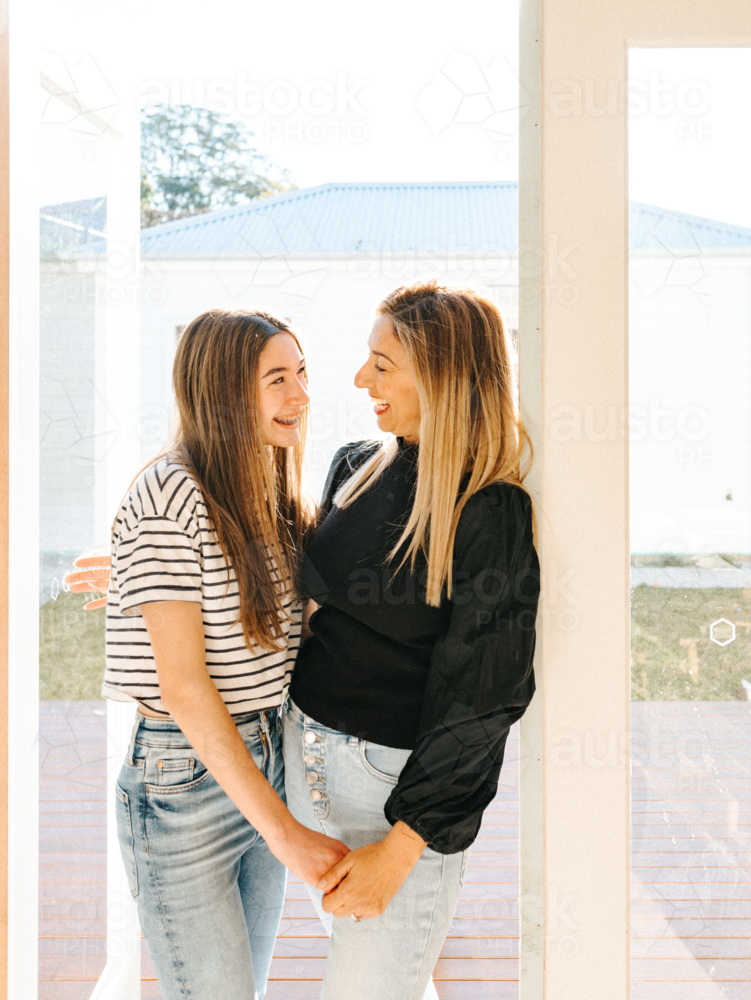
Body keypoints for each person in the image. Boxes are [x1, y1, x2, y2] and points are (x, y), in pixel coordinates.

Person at [68, 280, 539, 1000]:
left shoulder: (479, 508)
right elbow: (301, 589)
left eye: (381, 364)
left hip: (364, 791)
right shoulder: (355, 467)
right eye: (278, 378)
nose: (352, 383)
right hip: (257, 773)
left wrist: (403, 844)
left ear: (441, 374)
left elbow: (484, 696)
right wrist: (153, 569)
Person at [90, 307, 350, 1000]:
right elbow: (183, 685)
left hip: (265, 757)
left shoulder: (266, 486)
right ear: (222, 393)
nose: (299, 395)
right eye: (276, 380)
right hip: (187, 782)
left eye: (301, 374)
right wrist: (285, 834)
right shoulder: (168, 491)